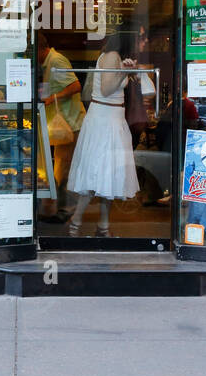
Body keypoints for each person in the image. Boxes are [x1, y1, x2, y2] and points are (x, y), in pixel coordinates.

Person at [64, 32, 140, 236]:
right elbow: (107, 89)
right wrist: (124, 72)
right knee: (96, 173)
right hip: (105, 120)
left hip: (111, 118)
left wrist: (128, 71)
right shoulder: (111, 56)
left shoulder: (113, 56)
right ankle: (76, 221)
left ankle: (102, 226)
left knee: (108, 176)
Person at [38, 40, 85, 223]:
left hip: (70, 124)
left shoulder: (56, 60)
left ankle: (65, 211)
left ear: (41, 48)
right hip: (63, 125)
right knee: (60, 166)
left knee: (65, 168)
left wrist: (52, 98)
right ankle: (58, 209)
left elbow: (75, 86)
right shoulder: (49, 62)